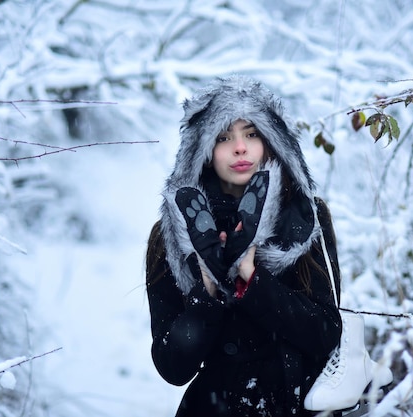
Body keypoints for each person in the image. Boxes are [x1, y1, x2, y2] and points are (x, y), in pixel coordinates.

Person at [145, 76, 385, 416]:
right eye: (223, 137)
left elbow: (325, 332)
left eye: (251, 134)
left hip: (297, 403)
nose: (239, 147)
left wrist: (251, 278)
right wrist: (208, 291)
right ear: (203, 151)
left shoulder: (305, 217)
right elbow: (173, 366)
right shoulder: (170, 235)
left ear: (272, 142)